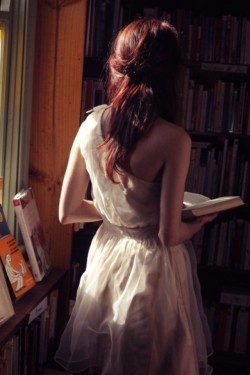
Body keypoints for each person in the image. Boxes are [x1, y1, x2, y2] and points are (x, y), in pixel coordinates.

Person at [54, 18, 217, 375]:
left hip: (105, 260)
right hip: (152, 270)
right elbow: (168, 234)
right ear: (171, 73)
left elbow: (67, 211)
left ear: (116, 64)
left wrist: (119, 212)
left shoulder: (90, 126)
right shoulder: (174, 139)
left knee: (109, 359)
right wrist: (202, 220)